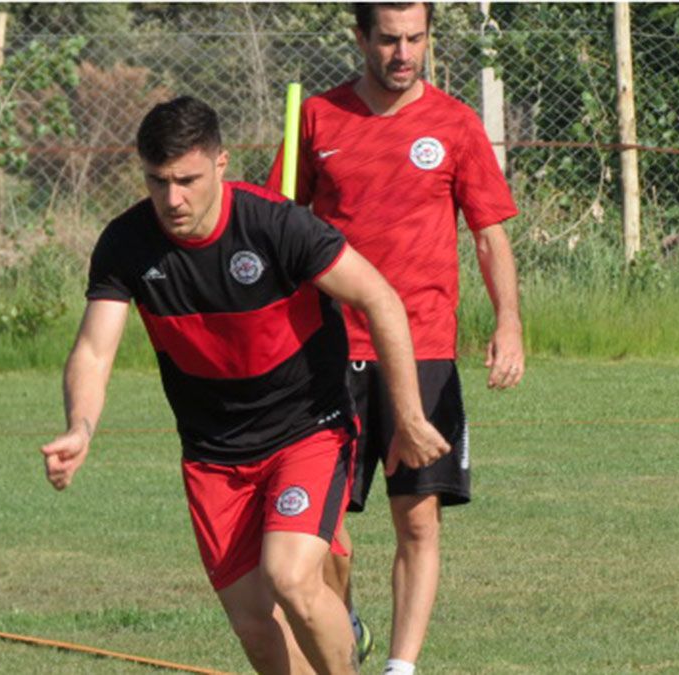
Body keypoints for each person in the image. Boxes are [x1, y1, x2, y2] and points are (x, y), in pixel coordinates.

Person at [40, 95, 449, 675]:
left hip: (306, 431)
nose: (173, 199)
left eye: (187, 180)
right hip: (213, 454)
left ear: (222, 163)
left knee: (290, 575)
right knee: (256, 627)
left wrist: (407, 415)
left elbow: (379, 298)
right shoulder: (127, 243)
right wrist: (80, 427)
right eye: (158, 182)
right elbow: (93, 349)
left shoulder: (277, 224)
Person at [264, 4, 525, 674]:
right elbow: (273, 228)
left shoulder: (456, 125)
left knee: (417, 519)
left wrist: (508, 323)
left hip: (426, 352)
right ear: (360, 38)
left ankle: (401, 666)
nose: (403, 53)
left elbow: (490, 235)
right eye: (388, 40)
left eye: (415, 39)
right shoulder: (316, 120)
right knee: (320, 534)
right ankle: (341, 623)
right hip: (328, 352)